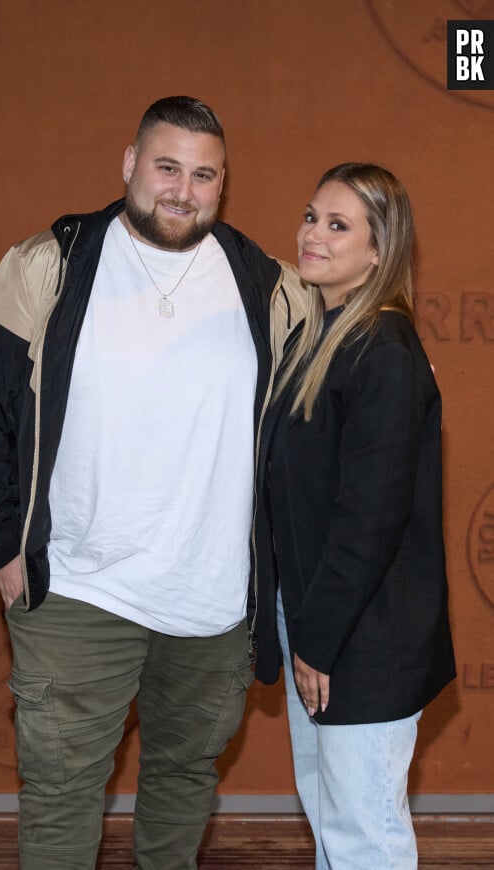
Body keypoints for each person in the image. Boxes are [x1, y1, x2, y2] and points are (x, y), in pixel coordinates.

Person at [0, 96, 303, 870]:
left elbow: (330, 395)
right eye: (167, 167)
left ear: (223, 183)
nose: (183, 189)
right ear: (131, 165)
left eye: (204, 174)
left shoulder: (265, 285)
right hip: (77, 591)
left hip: (211, 604)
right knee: (62, 788)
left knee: (183, 781)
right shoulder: (50, 263)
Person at [253, 163, 456, 869]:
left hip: (362, 637)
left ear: (378, 251)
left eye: (338, 225)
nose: (313, 234)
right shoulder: (325, 335)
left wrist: (318, 640)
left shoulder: (384, 353)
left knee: (364, 834)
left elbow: (369, 520)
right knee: (335, 820)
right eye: (312, 216)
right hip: (321, 621)